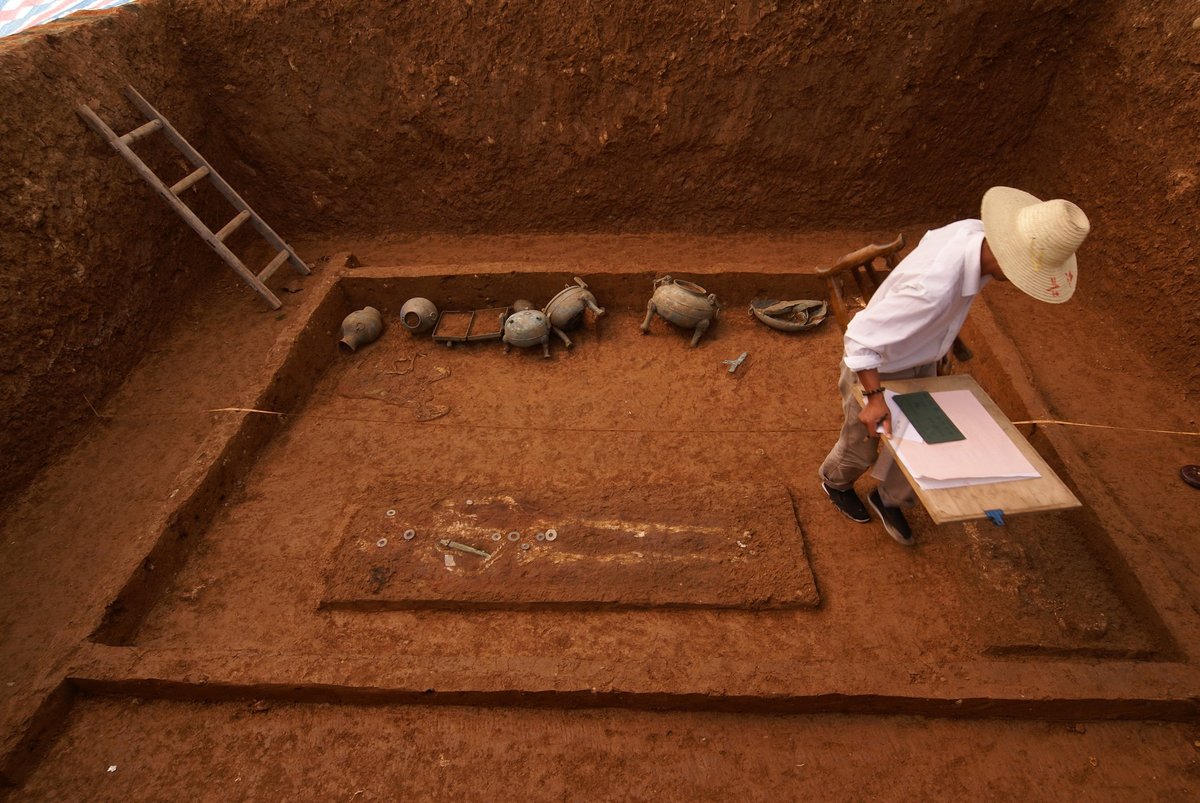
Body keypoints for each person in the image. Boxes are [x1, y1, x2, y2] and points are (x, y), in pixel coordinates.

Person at [818, 187, 1091, 545]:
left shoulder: (975, 234)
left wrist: (939, 344)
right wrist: (873, 397)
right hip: (879, 365)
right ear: (1010, 260)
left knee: (928, 437)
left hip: (919, 354)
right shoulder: (933, 288)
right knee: (863, 442)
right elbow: (861, 337)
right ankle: (835, 481)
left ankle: (888, 499)